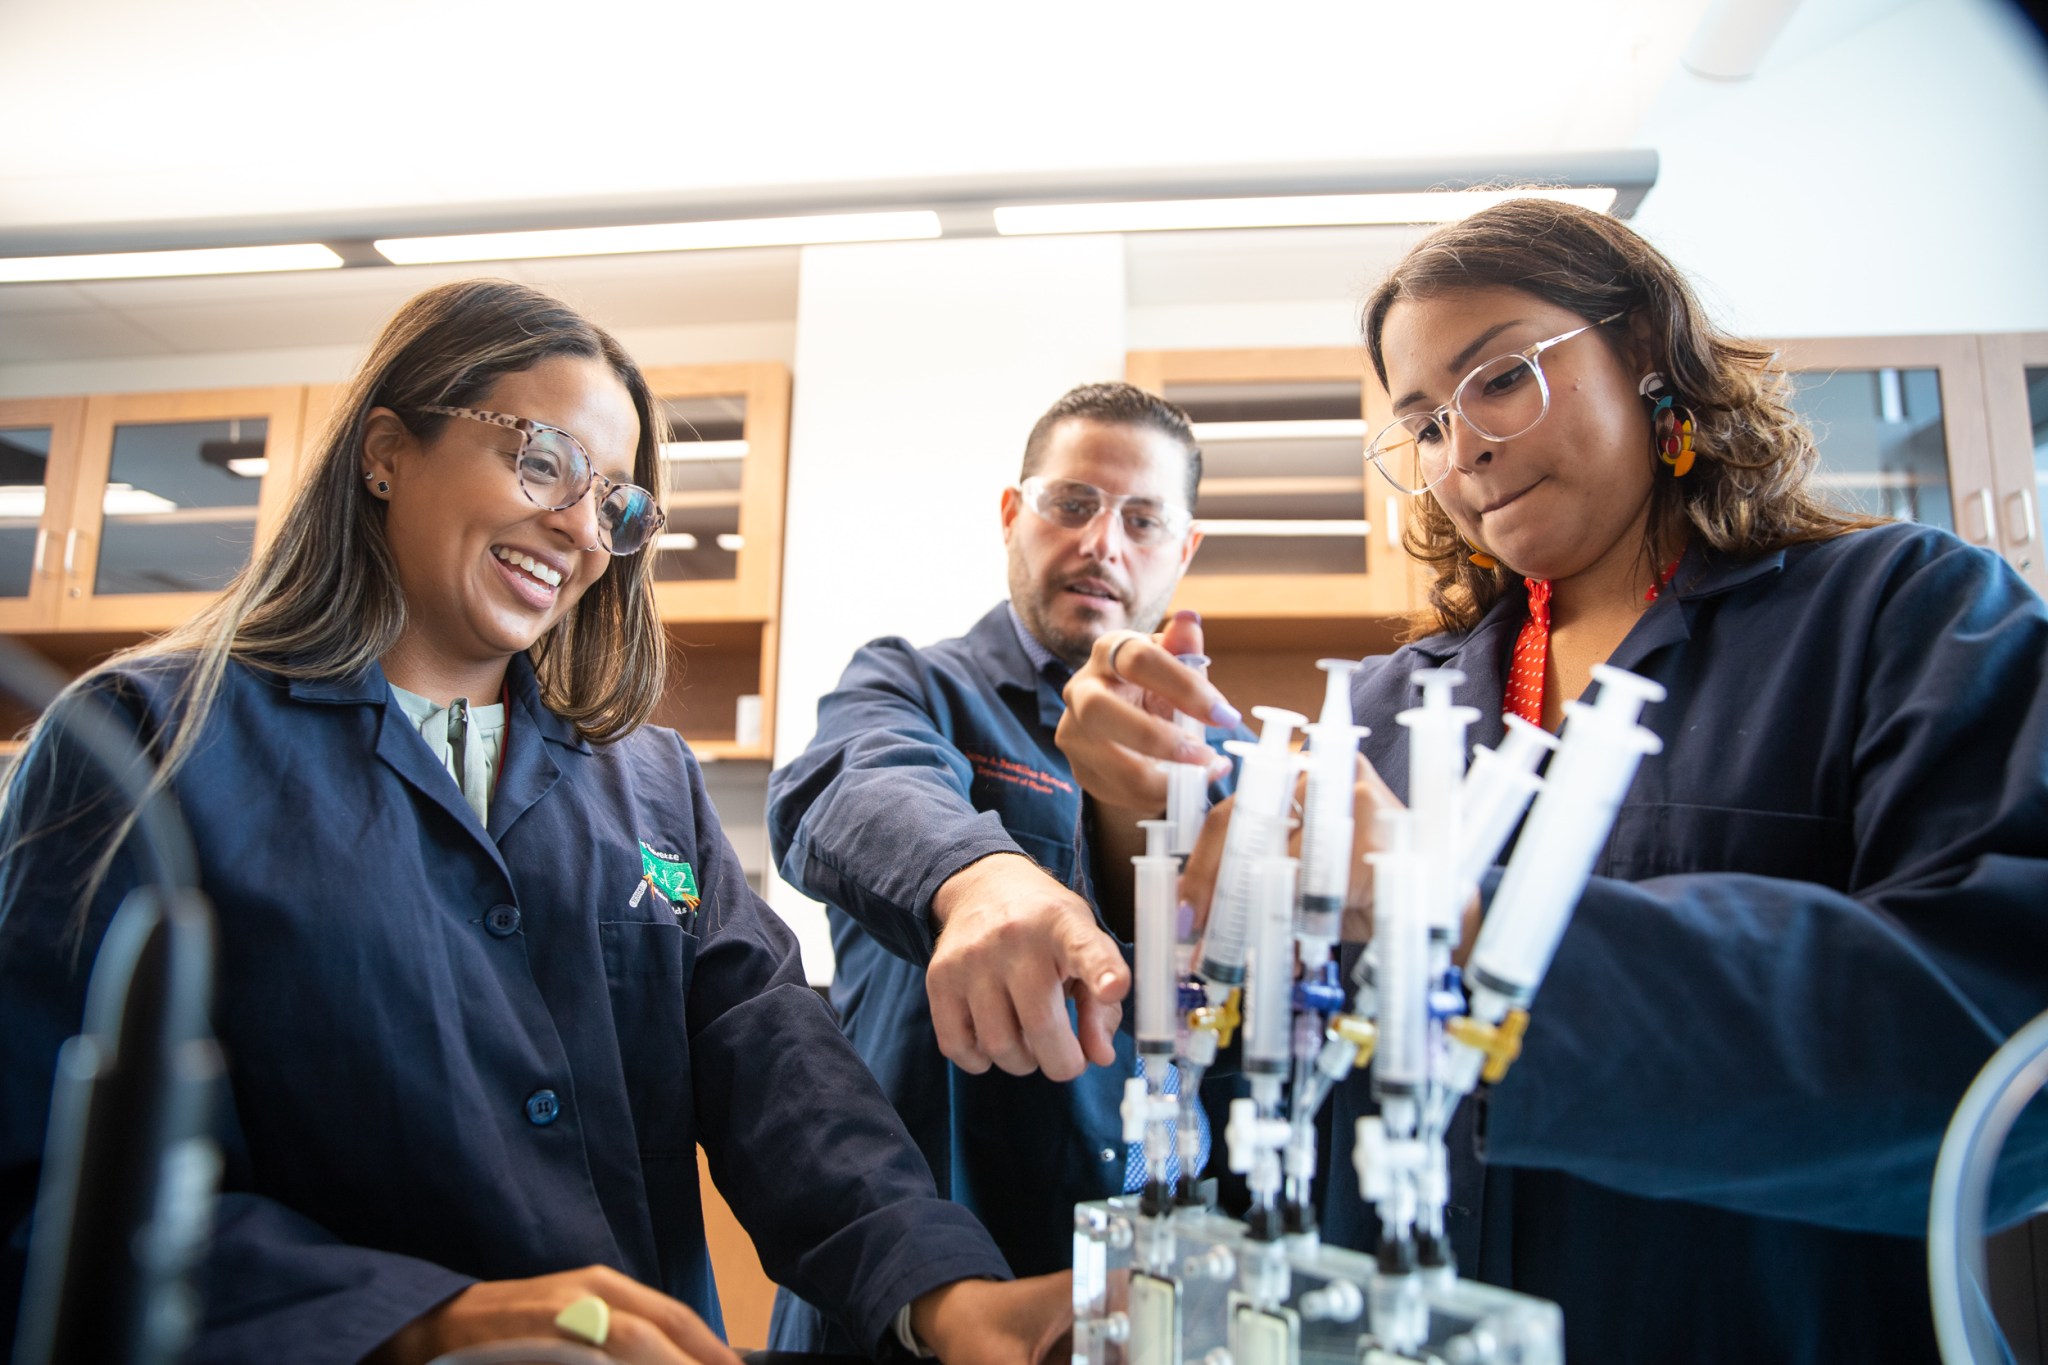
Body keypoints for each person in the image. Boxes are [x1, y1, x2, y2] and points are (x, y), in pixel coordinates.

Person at [0, 280, 1072, 1365]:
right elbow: (49, 1184)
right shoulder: (146, 743)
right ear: (385, 449)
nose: (577, 528)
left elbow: (777, 1067)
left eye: (616, 504)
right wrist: (425, 1322)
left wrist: (941, 1288)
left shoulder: (648, 783)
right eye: (543, 460)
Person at [1051, 199, 2048, 1362]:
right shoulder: (1377, 716)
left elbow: (1999, 1062)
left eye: (1499, 378)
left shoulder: (1901, 619)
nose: (1459, 449)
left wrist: (1463, 918)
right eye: (1419, 424)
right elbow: (1256, 1057)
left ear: (1643, 353)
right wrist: (1145, 804)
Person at [765, 383, 1250, 1351]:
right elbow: (850, 786)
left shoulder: (1214, 767)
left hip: (1133, 1283)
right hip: (907, 1266)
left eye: (1141, 519)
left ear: (1181, 550)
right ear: (1011, 516)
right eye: (1071, 503)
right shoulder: (913, 685)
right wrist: (983, 878)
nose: (1101, 544)